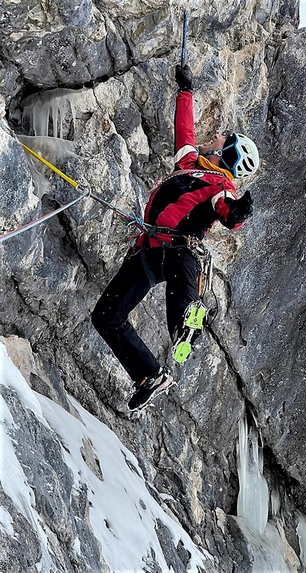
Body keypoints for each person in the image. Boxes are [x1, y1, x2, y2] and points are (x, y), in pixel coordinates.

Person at [91, 64, 260, 412]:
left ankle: (186, 322)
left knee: (181, 282)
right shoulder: (190, 163)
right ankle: (149, 375)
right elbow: (183, 131)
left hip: (180, 247)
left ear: (228, 153)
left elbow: (227, 212)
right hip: (148, 250)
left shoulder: (220, 185)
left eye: (222, 139)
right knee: (105, 317)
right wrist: (186, 91)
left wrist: (239, 215)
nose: (215, 136)